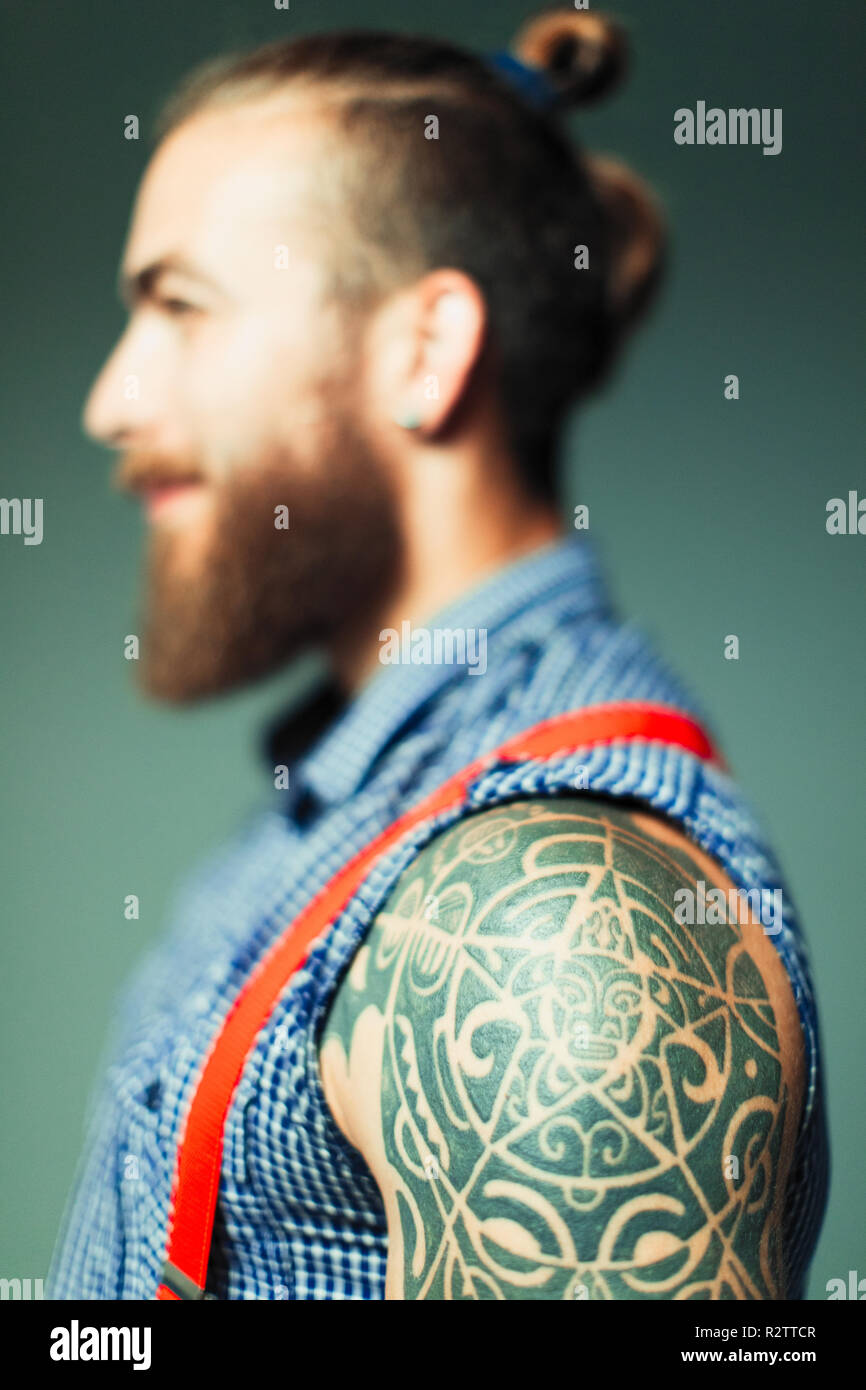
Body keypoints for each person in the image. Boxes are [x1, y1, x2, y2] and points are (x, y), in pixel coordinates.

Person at [48, 8, 828, 1301]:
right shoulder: (338, 812)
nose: (113, 400)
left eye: (179, 306)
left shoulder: (553, 914)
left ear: (424, 350)